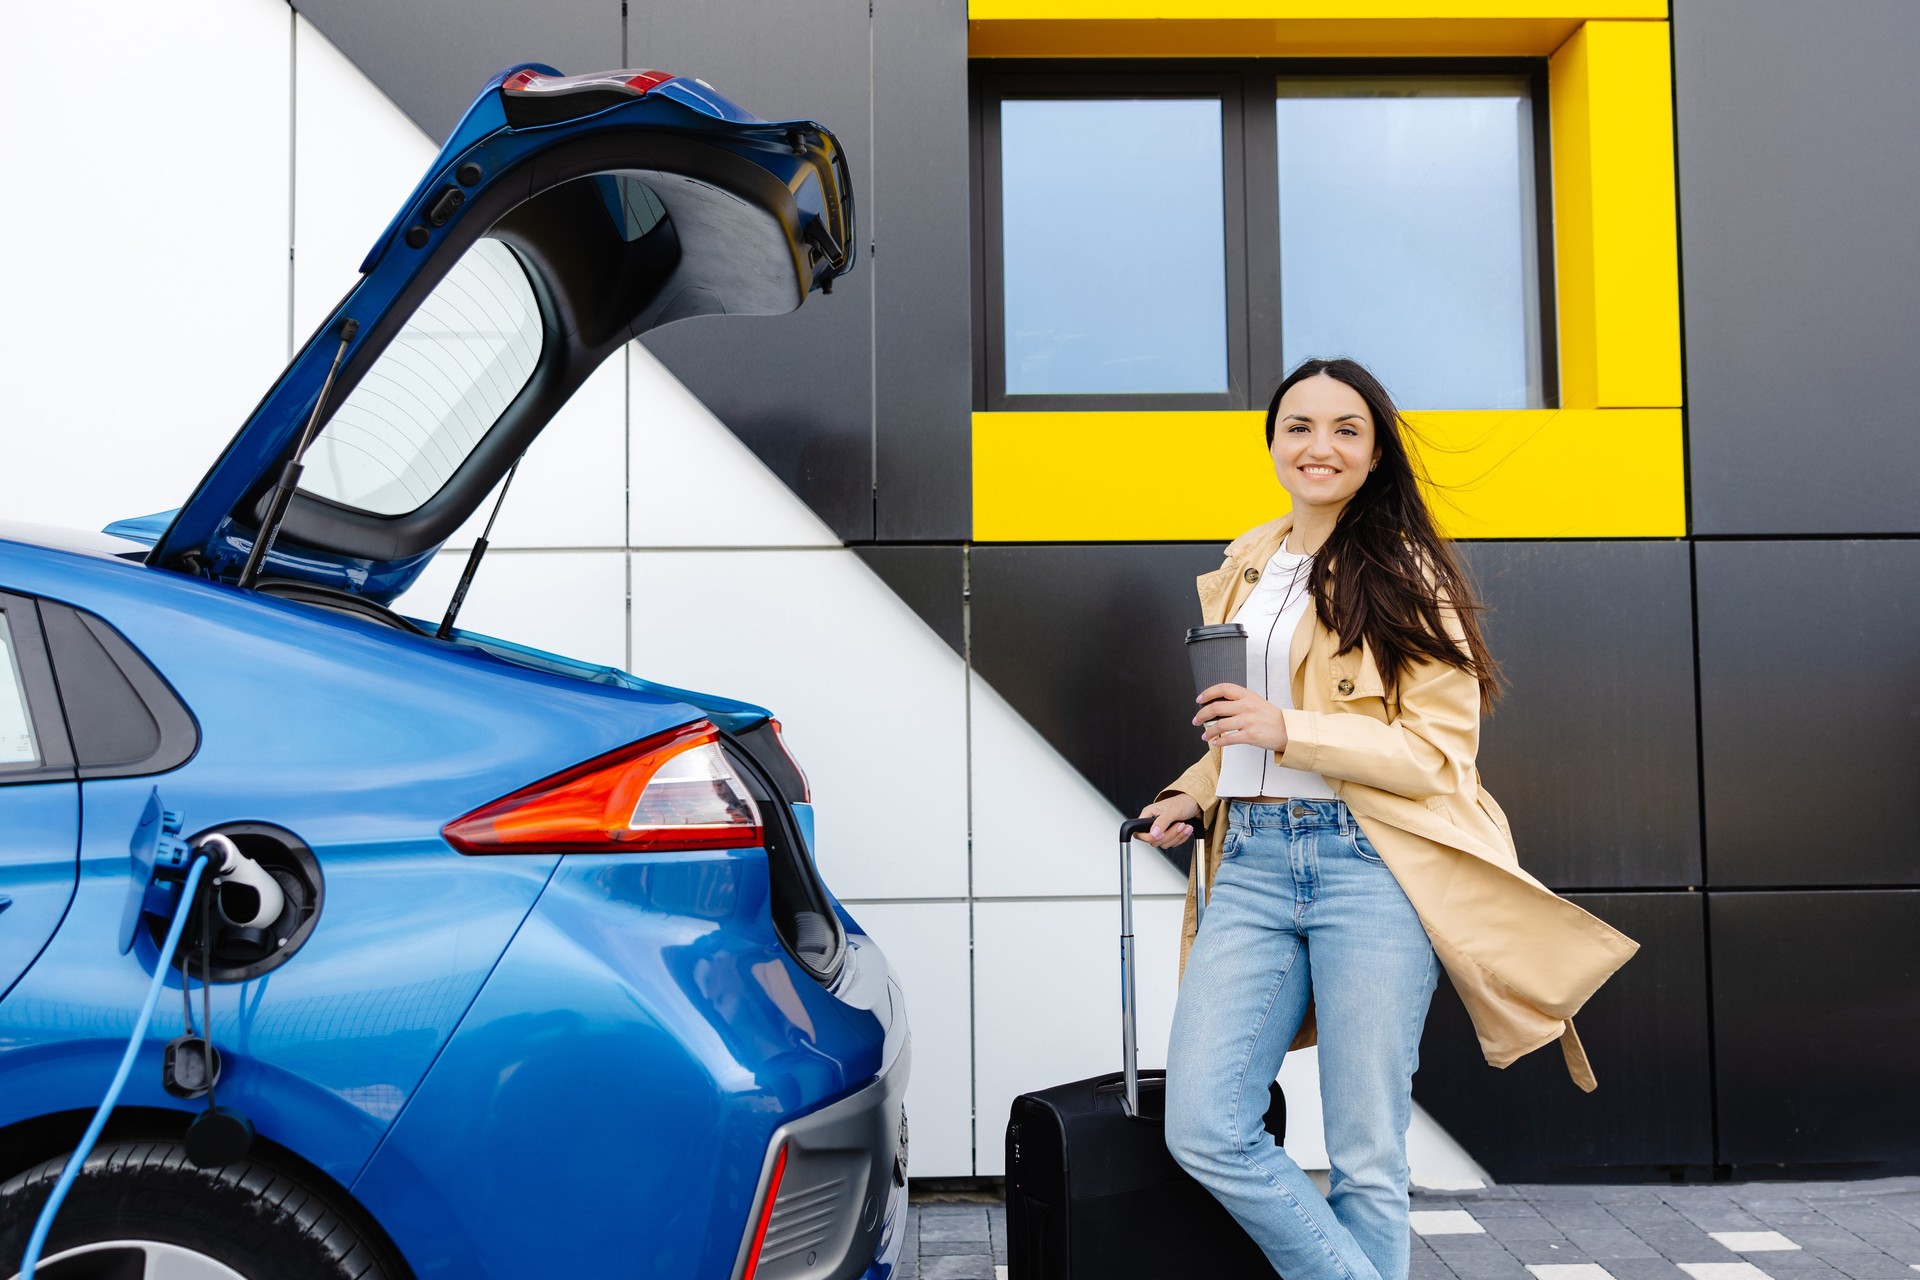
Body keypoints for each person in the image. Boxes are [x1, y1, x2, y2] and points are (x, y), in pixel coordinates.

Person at [1136, 357, 1638, 1280]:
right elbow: (1238, 726)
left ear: (1374, 456)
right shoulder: (1247, 562)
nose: (1317, 446)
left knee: (1368, 1152)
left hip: (1372, 867)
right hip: (1249, 860)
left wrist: (1288, 729)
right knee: (1205, 1125)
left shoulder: (1406, 576)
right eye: (1298, 426)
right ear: (1273, 441)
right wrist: (1193, 791)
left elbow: (1435, 756)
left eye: (1344, 430)